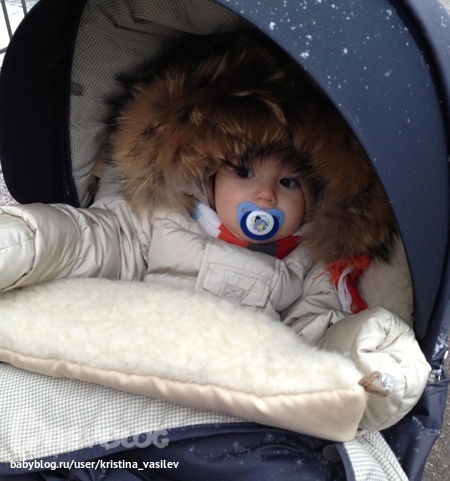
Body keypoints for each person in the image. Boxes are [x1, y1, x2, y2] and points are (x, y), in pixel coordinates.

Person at [0, 31, 430, 432]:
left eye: (288, 182)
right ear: (208, 176)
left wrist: (366, 360)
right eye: (243, 172)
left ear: (316, 198)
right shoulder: (162, 218)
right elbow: (93, 240)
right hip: (139, 360)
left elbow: (316, 334)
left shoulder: (306, 263)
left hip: (228, 396)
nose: (264, 195)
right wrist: (25, 241)